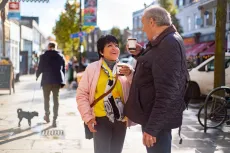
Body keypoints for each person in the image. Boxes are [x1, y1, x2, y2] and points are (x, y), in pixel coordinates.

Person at [124, 6, 189, 153]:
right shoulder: (164, 41)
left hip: (156, 121)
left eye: (143, 23)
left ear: (152, 22)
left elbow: (168, 91)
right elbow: (155, 65)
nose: (142, 29)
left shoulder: (169, 43)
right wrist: (140, 52)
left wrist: (153, 127)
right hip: (154, 116)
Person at [76, 35, 132, 153]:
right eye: (109, 45)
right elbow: (82, 95)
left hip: (120, 121)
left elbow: (136, 90)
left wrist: (131, 74)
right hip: (100, 120)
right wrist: (88, 118)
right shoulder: (92, 69)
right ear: (101, 51)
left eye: (116, 46)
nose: (114, 48)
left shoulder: (125, 69)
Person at [36, 42, 65, 127]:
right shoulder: (60, 56)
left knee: (46, 99)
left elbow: (40, 67)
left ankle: (47, 115)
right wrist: (63, 82)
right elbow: (63, 70)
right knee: (56, 100)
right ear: (55, 47)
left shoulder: (43, 56)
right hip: (57, 81)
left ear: (49, 47)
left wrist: (37, 75)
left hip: (46, 80)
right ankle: (55, 119)